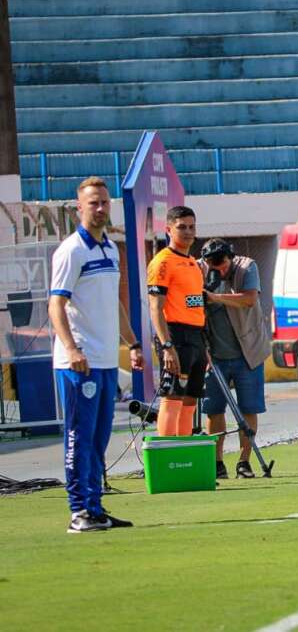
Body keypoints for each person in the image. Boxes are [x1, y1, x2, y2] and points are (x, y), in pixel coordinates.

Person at [49, 177, 145, 533]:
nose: (102, 208)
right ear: (80, 208)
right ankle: (79, 512)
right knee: (79, 437)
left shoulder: (109, 250)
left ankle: (95, 507)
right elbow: (56, 304)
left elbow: (115, 304)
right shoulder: (71, 250)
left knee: (100, 439)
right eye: (94, 203)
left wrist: (132, 343)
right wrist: (72, 348)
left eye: (105, 202)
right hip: (80, 363)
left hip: (106, 361)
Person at [198, 238, 271, 480]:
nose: (218, 269)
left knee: (249, 408)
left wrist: (214, 298)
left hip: (248, 352)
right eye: (213, 265)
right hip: (214, 355)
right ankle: (217, 462)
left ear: (231, 257)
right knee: (213, 410)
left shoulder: (246, 267)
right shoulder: (198, 269)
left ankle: (244, 461)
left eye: (222, 264)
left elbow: (249, 299)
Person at [147, 205, 206, 437]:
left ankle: (185, 451)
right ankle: (167, 455)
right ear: (169, 229)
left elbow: (194, 304)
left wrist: (204, 345)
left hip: (196, 337)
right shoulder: (163, 262)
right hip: (175, 336)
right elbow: (155, 307)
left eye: (192, 227)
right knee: (172, 398)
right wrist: (167, 346)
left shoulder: (192, 262)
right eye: (182, 227)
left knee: (190, 401)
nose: (188, 232)